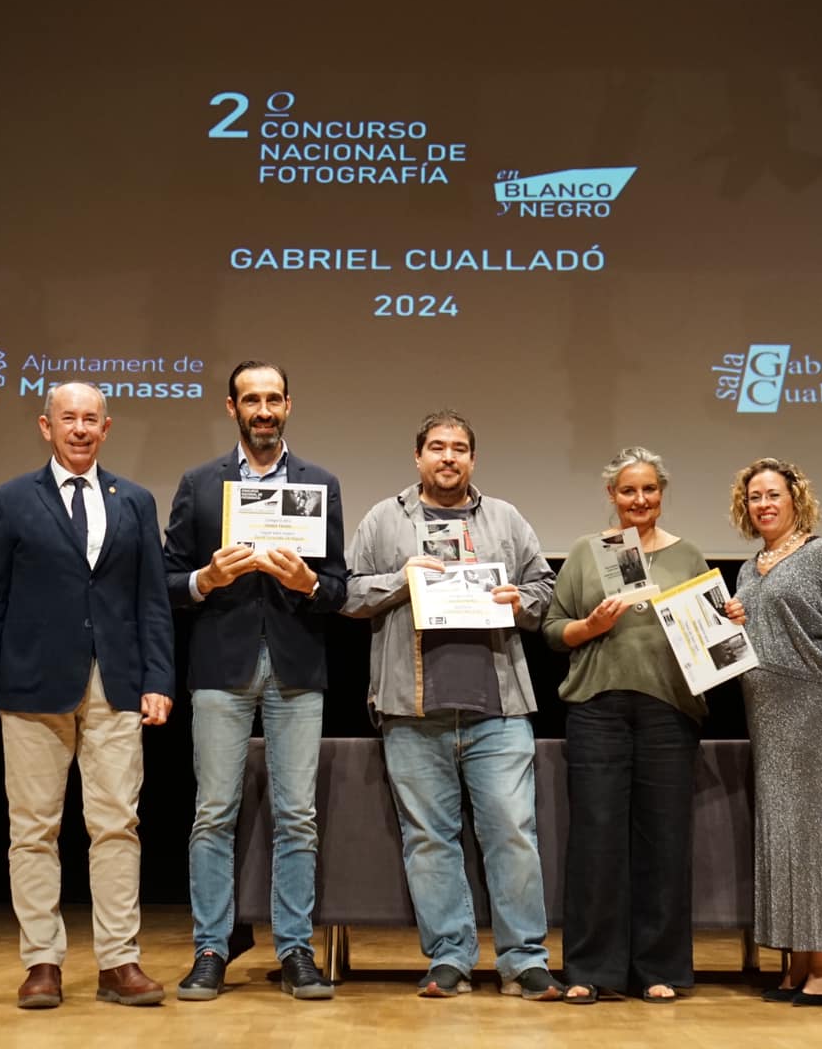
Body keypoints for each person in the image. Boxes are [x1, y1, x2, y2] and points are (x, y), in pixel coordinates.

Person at [0, 382, 175, 1010]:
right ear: (45, 426)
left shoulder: (135, 500)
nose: (79, 429)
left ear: (106, 429)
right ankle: (42, 963)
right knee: (32, 829)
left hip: (116, 683)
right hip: (30, 685)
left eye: (90, 419)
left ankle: (119, 962)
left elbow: (152, 601)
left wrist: (158, 679)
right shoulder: (10, 500)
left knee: (117, 825)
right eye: (68, 418)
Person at [342, 410, 567, 1001]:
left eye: (459, 448)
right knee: (428, 839)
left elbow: (545, 590)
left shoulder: (506, 518)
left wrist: (520, 599)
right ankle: (450, 957)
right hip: (412, 708)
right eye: (437, 447)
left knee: (513, 833)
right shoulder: (384, 519)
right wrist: (402, 578)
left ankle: (524, 960)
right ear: (418, 457)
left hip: (499, 708)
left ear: (472, 458)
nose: (448, 457)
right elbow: (347, 594)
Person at [163, 361, 346, 1001]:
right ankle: (211, 948)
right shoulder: (199, 484)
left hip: (296, 667)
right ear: (232, 407)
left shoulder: (320, 484)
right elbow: (167, 581)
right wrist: (206, 579)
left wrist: (310, 583)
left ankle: (294, 949)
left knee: (297, 816)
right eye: (251, 400)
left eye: (272, 399)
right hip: (221, 667)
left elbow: (338, 588)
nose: (262, 410)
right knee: (213, 813)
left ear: (288, 405)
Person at [543, 447, 714, 1003]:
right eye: (628, 490)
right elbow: (553, 630)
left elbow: (712, 635)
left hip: (669, 709)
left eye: (649, 489)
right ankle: (591, 969)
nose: (639, 499)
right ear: (612, 496)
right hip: (598, 707)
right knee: (595, 839)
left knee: (664, 840)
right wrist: (589, 626)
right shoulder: (586, 552)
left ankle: (658, 969)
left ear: (661, 493)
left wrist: (728, 619)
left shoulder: (688, 555)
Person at [727, 457, 822, 1007]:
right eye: (754, 497)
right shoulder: (748, 570)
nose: (764, 504)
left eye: (773, 494)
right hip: (765, 710)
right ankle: (794, 959)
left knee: (817, 833)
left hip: (817, 704)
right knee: (781, 831)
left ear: (796, 499)